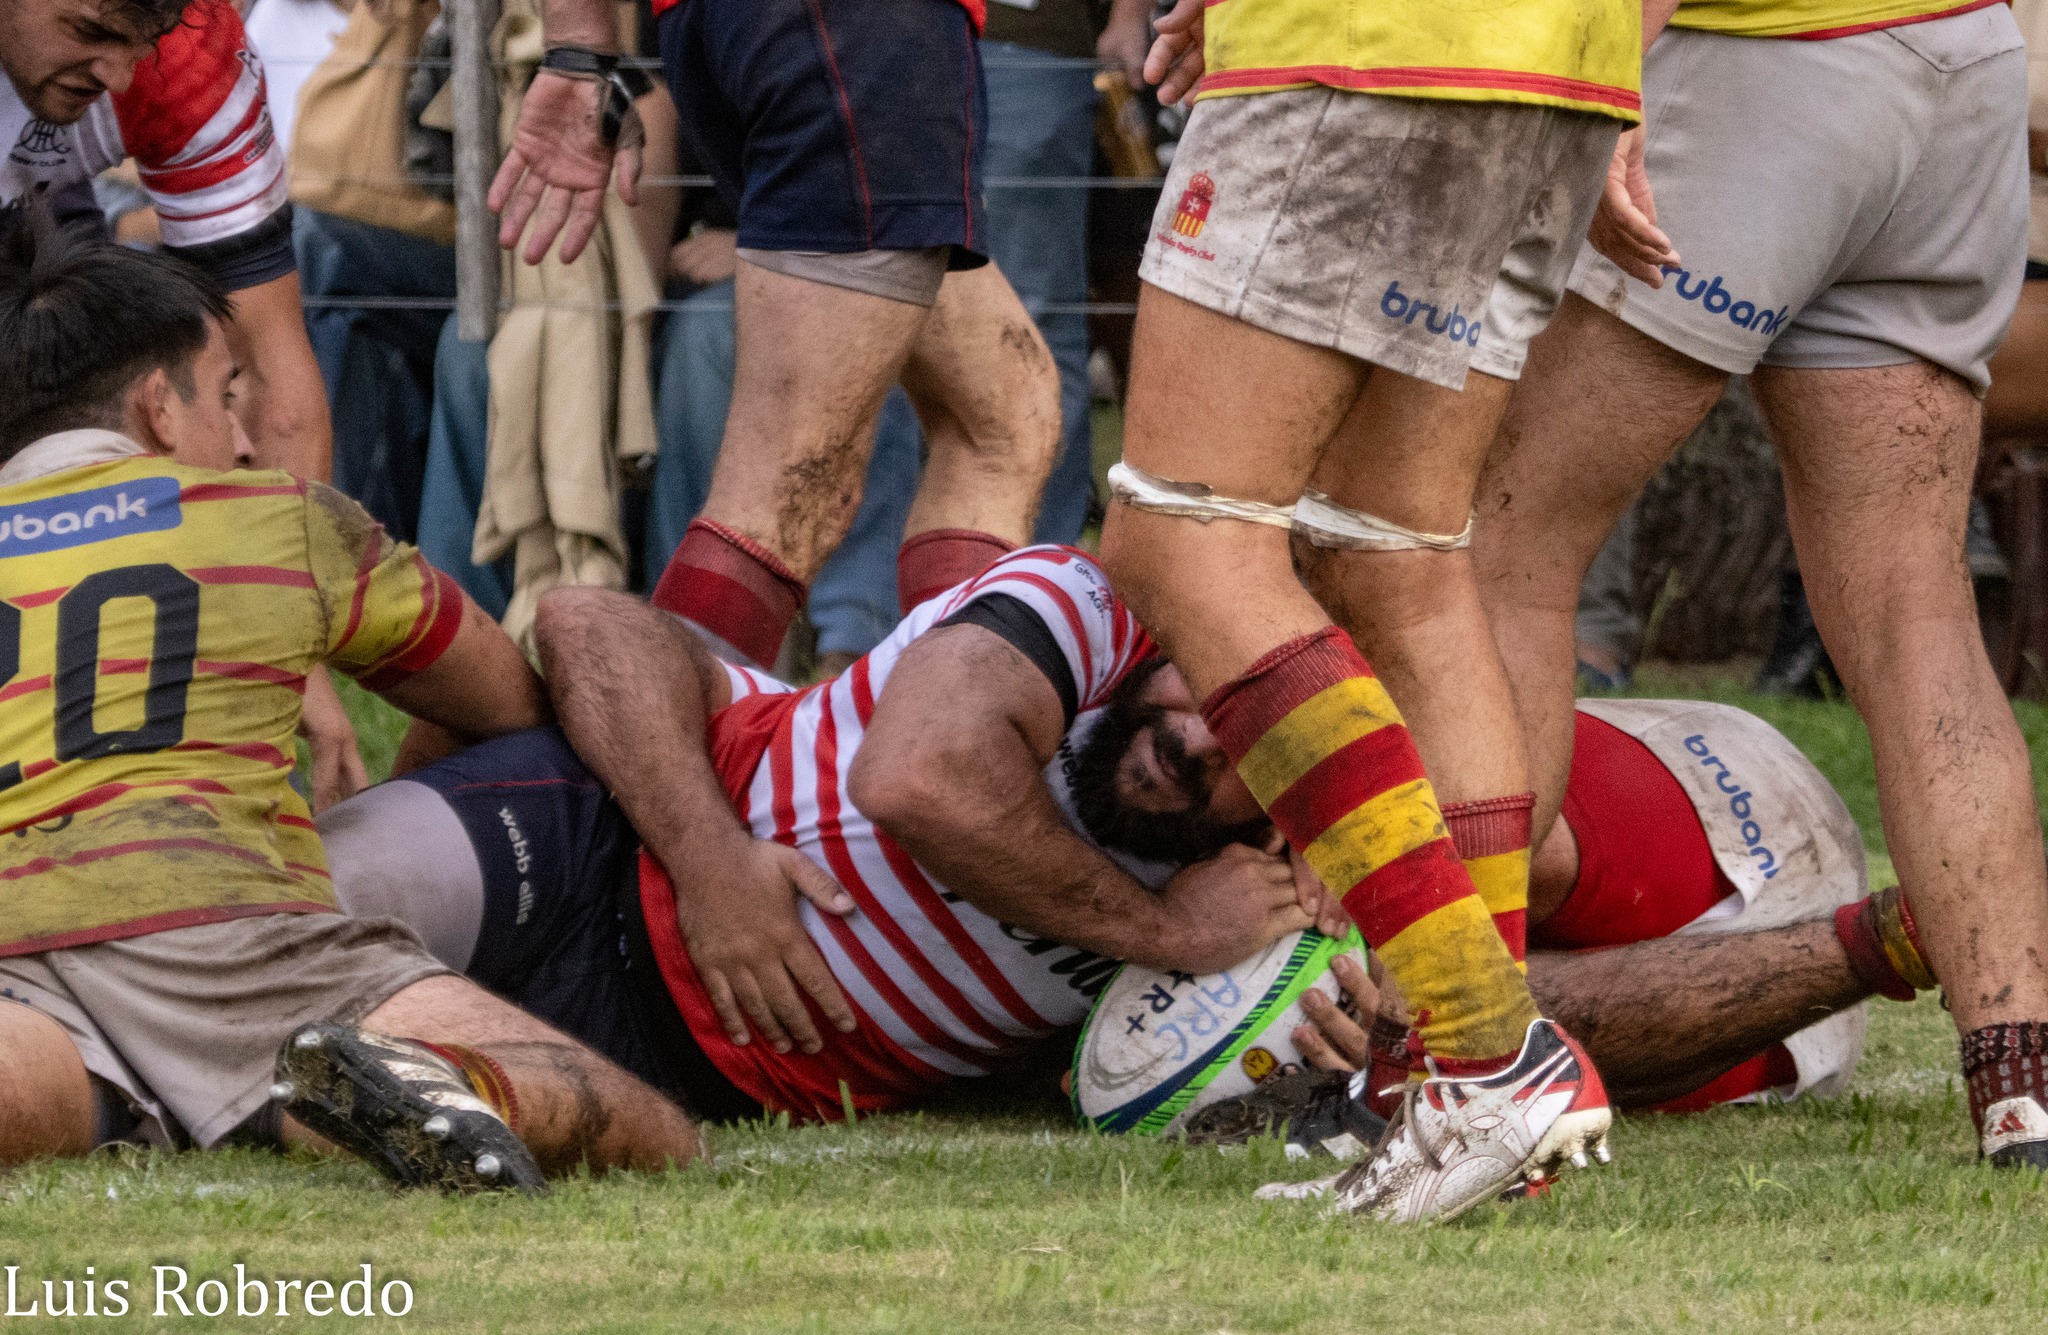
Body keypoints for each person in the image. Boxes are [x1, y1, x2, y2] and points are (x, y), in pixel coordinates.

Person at [319, 549, 1926, 1134]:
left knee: (302, 1088)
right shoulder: (1083, 602)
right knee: (321, 906)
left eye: (1264, 757)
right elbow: (914, 772)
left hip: (692, 1062)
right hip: (603, 837)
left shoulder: (1284, 878)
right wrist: (720, 856)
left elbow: (1493, 1020)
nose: (1211, 742)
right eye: (1217, 689)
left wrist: (1868, 947)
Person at [1089, 0, 1661, 1218]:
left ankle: (1487, 1051)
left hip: (1360, 38)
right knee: (1395, 563)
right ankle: (1454, 1102)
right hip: (1554, 61)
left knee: (1183, 538)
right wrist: (1614, 74)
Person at [0, 209, 699, 1187]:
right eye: (227, 396)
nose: (241, 440)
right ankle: (376, 1091)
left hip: (14, 933)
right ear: (160, 407)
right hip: (223, 922)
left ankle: (160, 1094)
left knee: (47, 1075)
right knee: (650, 1130)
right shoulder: (274, 517)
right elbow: (502, 702)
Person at [1470, 0, 2044, 1165]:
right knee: (1912, 609)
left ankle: (1456, 1054)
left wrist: (1611, 89)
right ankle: (2020, 1088)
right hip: (1957, 56)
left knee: (1505, 557)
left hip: (1761, 60)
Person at [488, 0, 1062, 673]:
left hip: (743, 33)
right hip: (857, 37)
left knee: (1002, 419)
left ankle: (934, 745)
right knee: (792, 485)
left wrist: (578, 48)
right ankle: (624, 771)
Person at [1, 0, 370, 809]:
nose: (122, 74)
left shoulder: (188, 55)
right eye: (93, 33)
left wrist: (292, 649)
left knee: (125, 409)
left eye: (142, 41)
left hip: (37, 209)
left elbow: (271, 382)